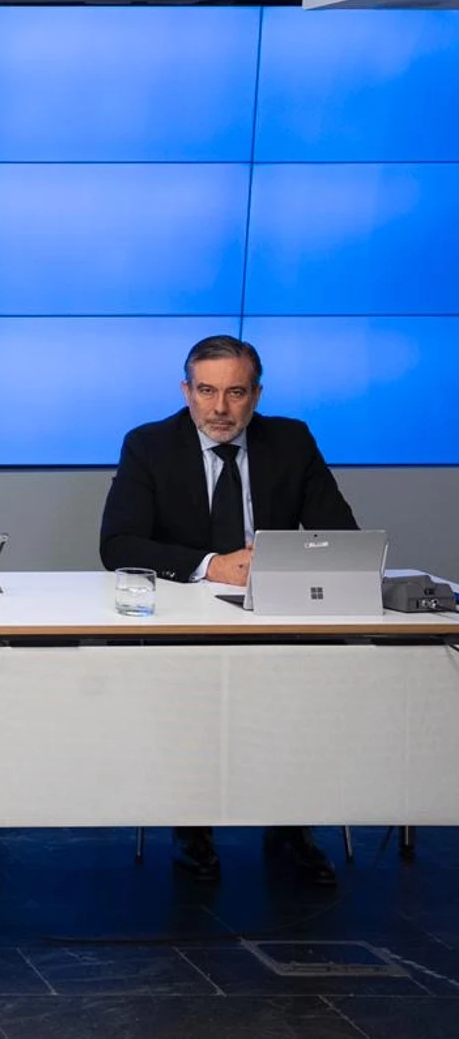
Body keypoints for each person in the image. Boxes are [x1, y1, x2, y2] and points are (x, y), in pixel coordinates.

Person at [99, 334, 355, 886]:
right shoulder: (149, 444)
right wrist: (213, 564)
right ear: (186, 391)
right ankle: (193, 826)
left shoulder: (291, 441)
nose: (220, 409)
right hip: (183, 618)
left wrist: (286, 561)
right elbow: (118, 545)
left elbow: (341, 535)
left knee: (311, 683)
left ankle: (290, 827)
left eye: (235, 393)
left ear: (256, 394)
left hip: (275, 616)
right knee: (192, 686)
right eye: (207, 392)